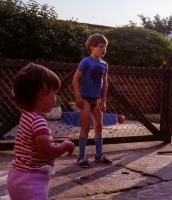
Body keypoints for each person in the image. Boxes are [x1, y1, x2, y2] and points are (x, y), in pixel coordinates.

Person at [7, 63, 75, 200]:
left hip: (17, 175)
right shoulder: (39, 122)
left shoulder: (26, 115)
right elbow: (46, 153)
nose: (56, 98)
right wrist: (64, 145)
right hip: (31, 181)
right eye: (54, 93)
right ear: (42, 94)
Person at [72, 33, 112, 168]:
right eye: (101, 46)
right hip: (85, 99)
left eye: (105, 46)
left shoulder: (105, 64)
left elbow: (105, 84)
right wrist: (78, 96)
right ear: (92, 47)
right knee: (85, 126)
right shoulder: (86, 61)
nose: (104, 49)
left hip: (96, 99)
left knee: (99, 125)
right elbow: (75, 79)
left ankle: (99, 154)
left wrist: (104, 100)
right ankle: (81, 157)